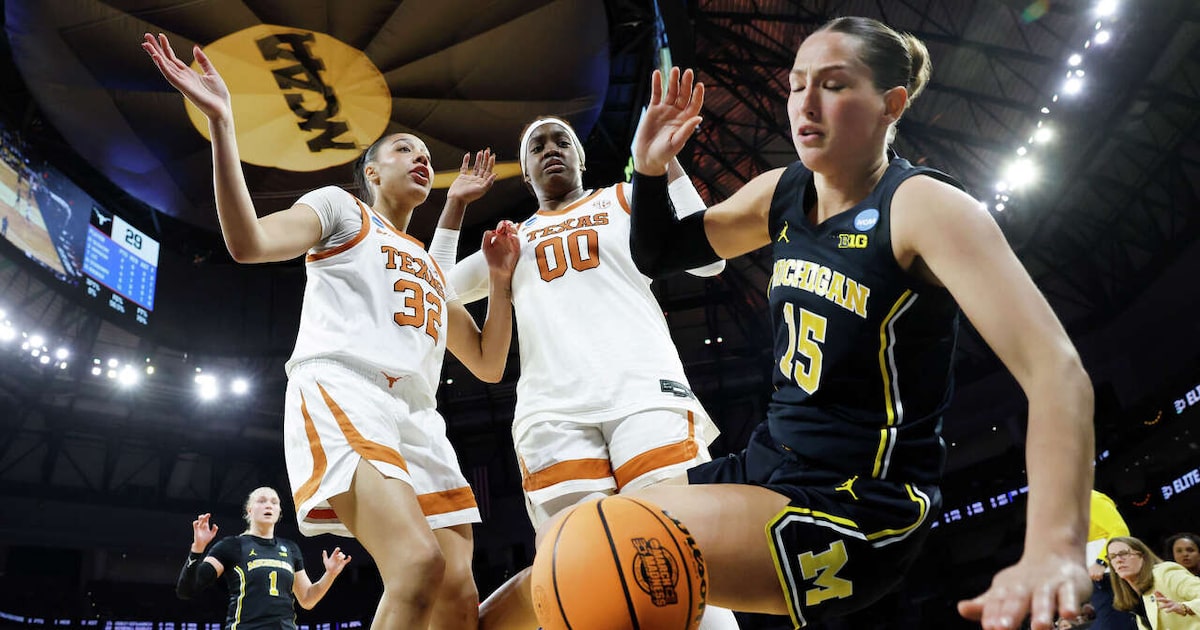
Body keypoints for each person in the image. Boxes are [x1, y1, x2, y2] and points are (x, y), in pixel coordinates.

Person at [618, 15, 1093, 630]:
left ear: (891, 104)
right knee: (555, 557)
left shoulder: (923, 205)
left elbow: (1057, 371)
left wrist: (1055, 547)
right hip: (769, 464)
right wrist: (648, 169)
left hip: (862, 507)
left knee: (609, 550)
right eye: (796, 85)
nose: (804, 103)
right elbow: (662, 255)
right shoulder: (782, 192)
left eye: (834, 85)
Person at [142, 33, 520, 630]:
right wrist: (222, 124)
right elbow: (249, 244)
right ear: (371, 171)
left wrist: (499, 281)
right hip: (345, 388)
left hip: (420, 415)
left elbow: (488, 363)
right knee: (417, 565)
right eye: (404, 148)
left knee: (457, 597)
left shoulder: (425, 262)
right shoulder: (343, 210)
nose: (421, 157)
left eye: (426, 153)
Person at [439, 115, 739, 630]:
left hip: (644, 394)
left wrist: (666, 167)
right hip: (552, 414)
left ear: (581, 158)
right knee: (582, 572)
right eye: (537, 145)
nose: (550, 148)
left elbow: (709, 263)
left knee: (679, 552)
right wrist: (455, 206)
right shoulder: (512, 240)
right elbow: (435, 288)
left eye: (562, 141)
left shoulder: (625, 200)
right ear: (527, 174)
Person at [176, 487, 351, 629]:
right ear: (249, 510)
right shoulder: (232, 546)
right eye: (261, 501)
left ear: (279, 511)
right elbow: (186, 590)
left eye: (274, 502)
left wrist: (330, 574)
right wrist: (197, 549)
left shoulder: (290, 548)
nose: (269, 505)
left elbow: (307, 599)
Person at [1107, 536, 1200, 629]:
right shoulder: (1134, 597)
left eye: (1124, 553)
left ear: (1142, 556)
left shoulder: (1165, 572)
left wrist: (1186, 607)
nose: (1118, 560)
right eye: (1113, 557)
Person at [1088, 490, 1137, 629]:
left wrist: (1102, 561)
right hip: (1098, 579)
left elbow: (1120, 530)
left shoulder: (1090, 498)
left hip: (1110, 575)